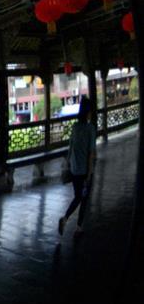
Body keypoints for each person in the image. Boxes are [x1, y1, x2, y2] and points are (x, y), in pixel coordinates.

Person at [59, 96, 96, 237]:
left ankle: (66, 218)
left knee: (77, 196)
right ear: (88, 112)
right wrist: (89, 174)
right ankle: (77, 226)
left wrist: (69, 164)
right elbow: (91, 153)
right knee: (83, 199)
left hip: (74, 169)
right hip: (85, 170)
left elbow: (70, 147)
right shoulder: (90, 129)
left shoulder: (75, 127)